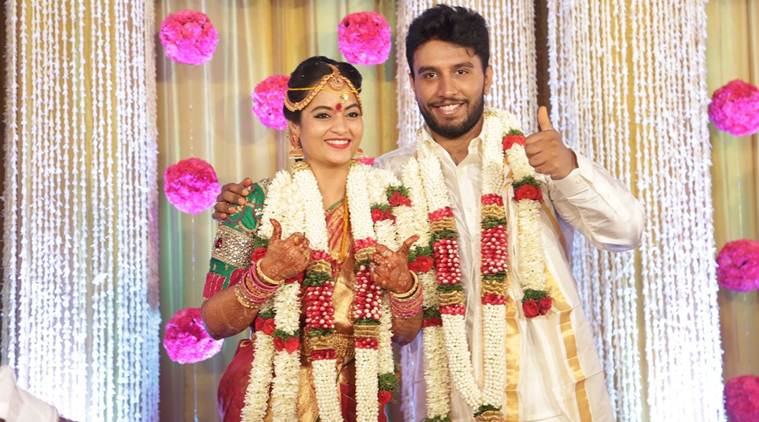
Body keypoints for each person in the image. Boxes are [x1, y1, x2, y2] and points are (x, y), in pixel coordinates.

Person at [215, 6, 643, 422]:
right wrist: (242, 203)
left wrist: (569, 168)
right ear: (413, 83)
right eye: (430, 75)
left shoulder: (534, 157)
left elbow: (624, 232)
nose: (446, 90)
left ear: (487, 75)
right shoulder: (387, 177)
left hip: (547, 389)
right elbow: (316, 194)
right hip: (445, 394)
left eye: (462, 71)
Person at [201, 56, 422, 422]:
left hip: (357, 392)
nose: (341, 127)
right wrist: (266, 275)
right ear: (295, 130)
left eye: (352, 114)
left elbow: (405, 334)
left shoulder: (388, 206)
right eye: (323, 115)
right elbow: (213, 323)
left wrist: (403, 287)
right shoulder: (254, 204)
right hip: (270, 394)